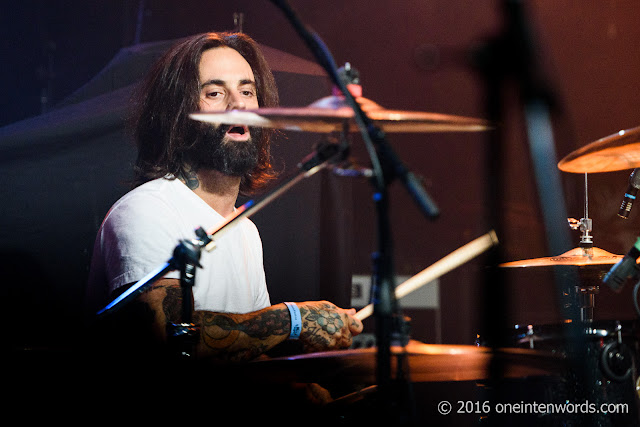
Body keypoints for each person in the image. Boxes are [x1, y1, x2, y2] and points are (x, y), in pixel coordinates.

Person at [85, 32, 363, 364]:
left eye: (247, 91)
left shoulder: (245, 232)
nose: (239, 105)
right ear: (177, 114)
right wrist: (295, 320)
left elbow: (248, 354)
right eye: (215, 93)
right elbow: (170, 337)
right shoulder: (146, 210)